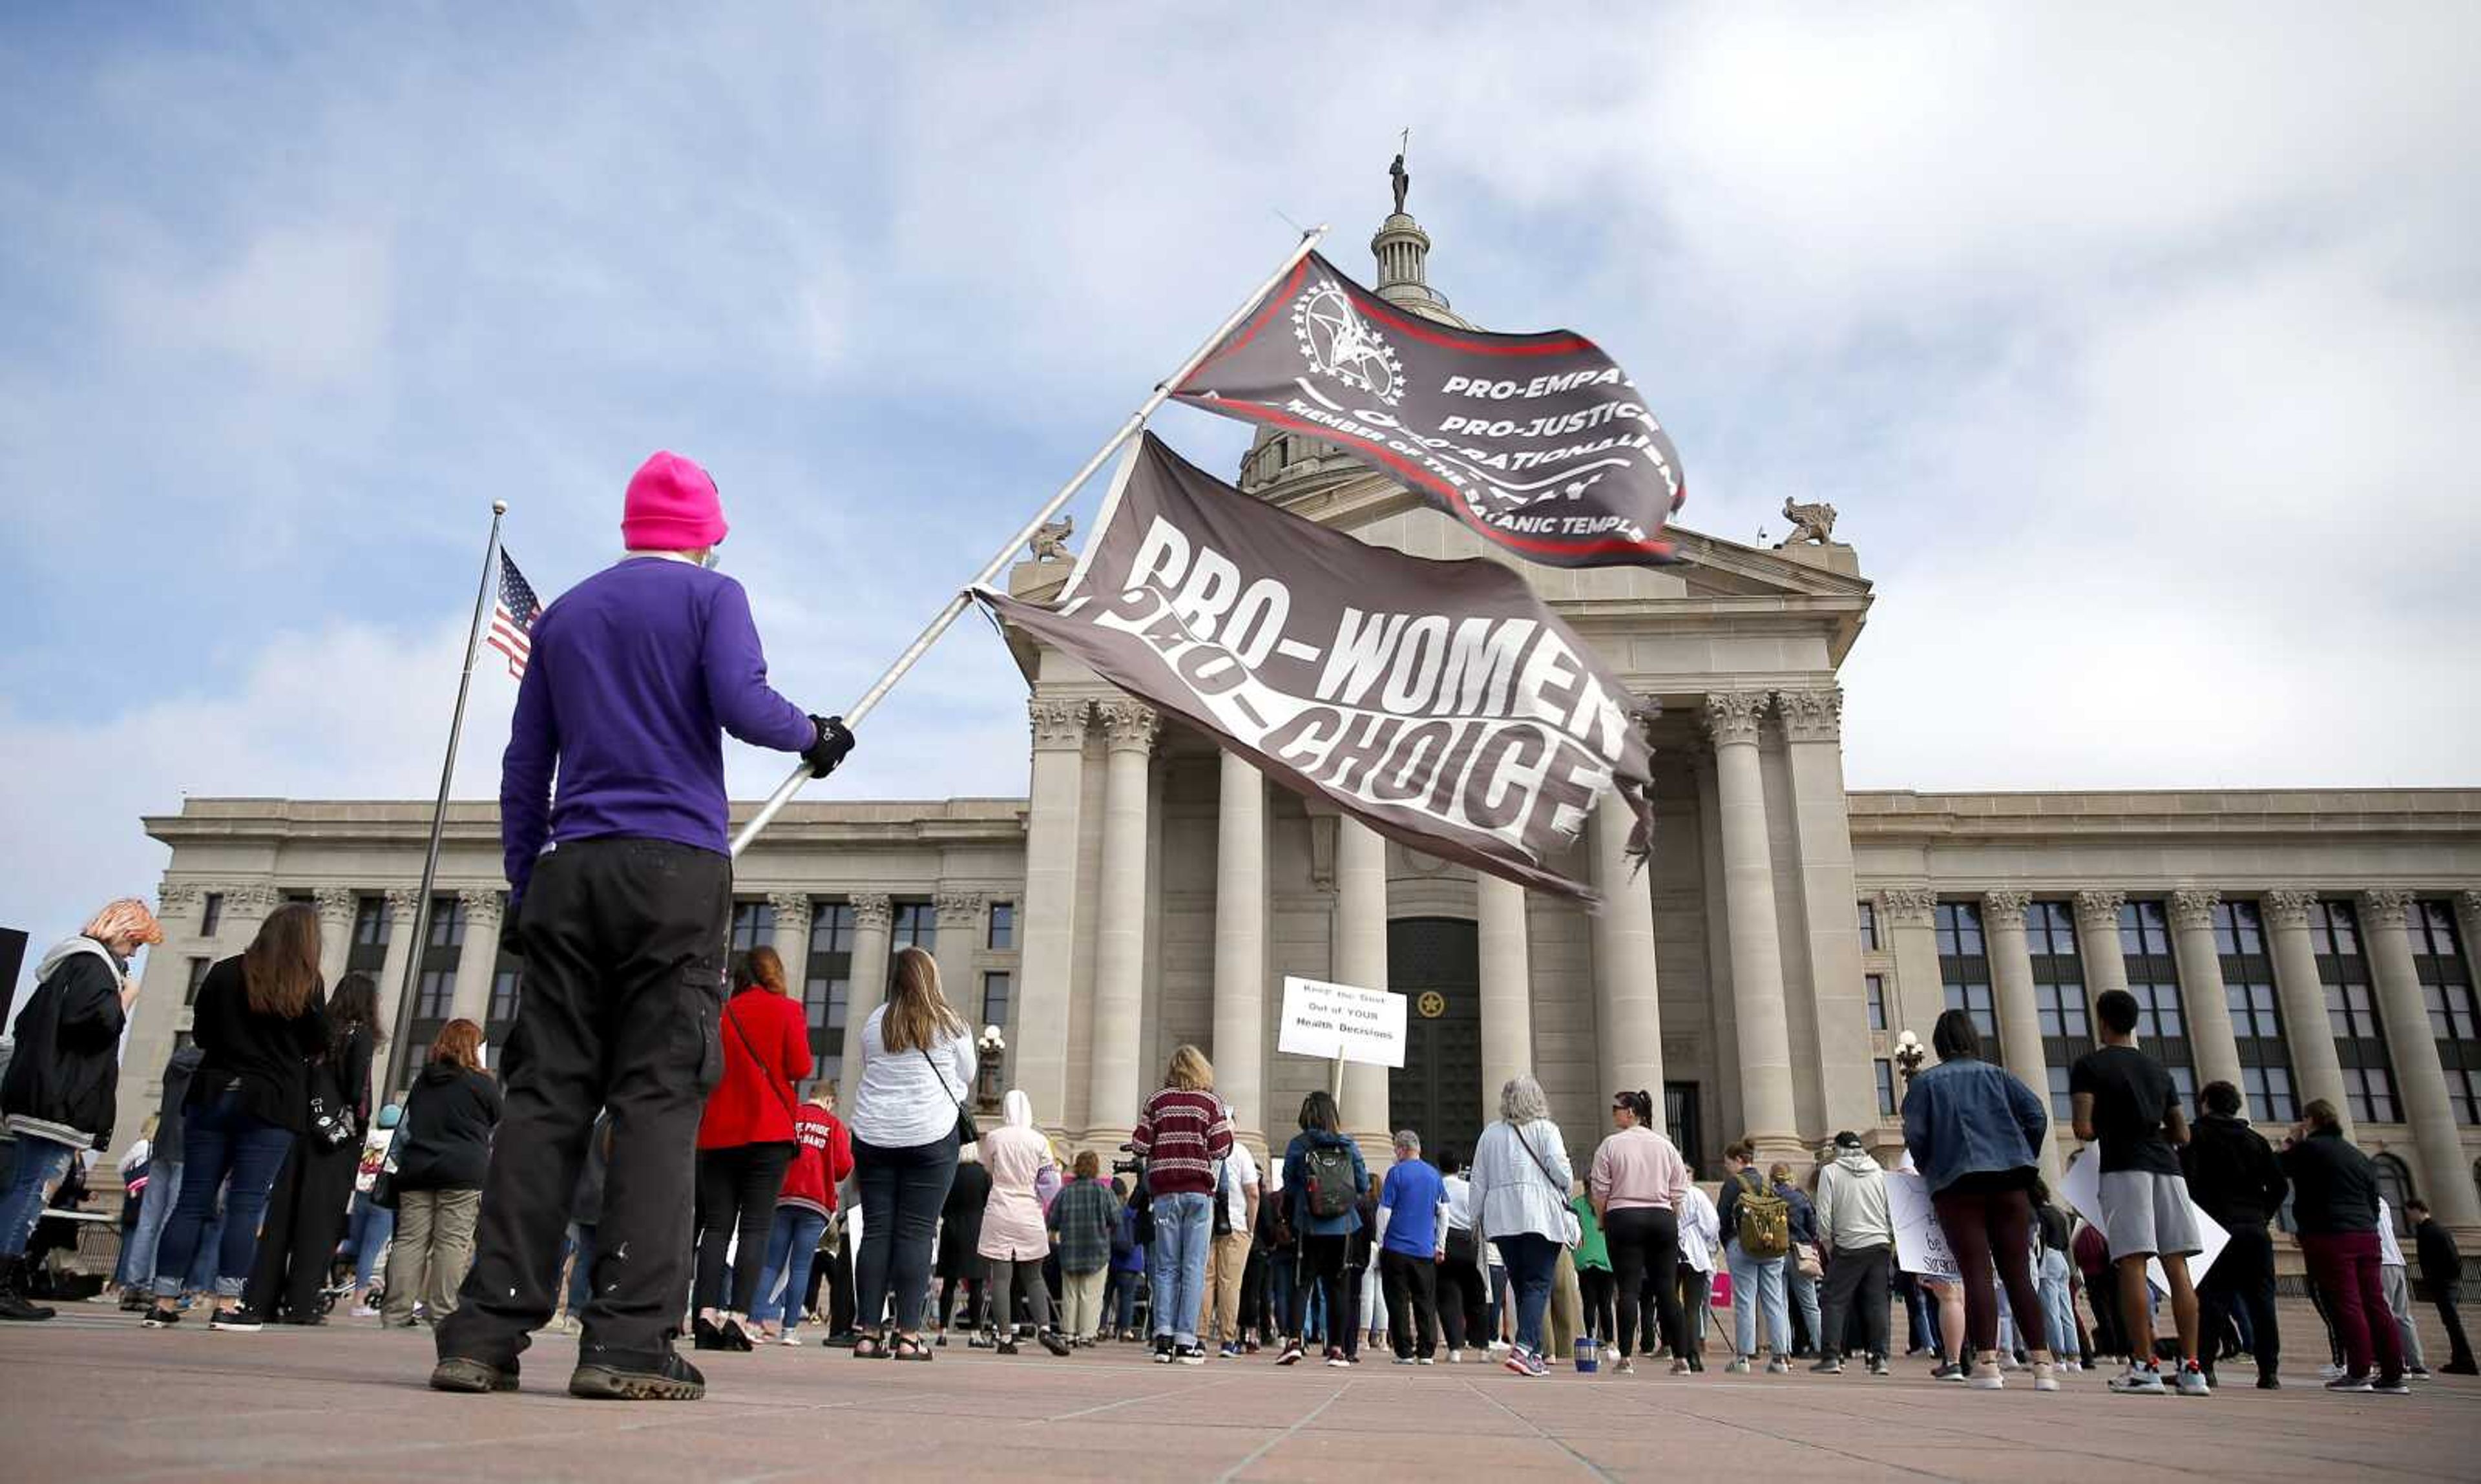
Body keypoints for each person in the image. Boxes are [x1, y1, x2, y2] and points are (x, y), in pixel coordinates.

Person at [428, 450, 853, 1402]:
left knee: (545, 1102)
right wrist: (816, 736)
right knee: (660, 1100)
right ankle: (626, 1340)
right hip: (676, 868)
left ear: (630, 529)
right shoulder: (714, 597)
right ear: (705, 534)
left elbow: (523, 764)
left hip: (570, 870)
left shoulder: (567, 614)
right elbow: (745, 706)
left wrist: (524, 885)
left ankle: (484, 1333)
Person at [145, 904, 330, 1331]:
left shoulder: (226, 971)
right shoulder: (306, 982)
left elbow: (202, 1034)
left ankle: (163, 1300)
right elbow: (318, 1041)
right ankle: (227, 1303)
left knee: (191, 1200)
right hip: (271, 1101)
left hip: (214, 1092)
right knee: (245, 1204)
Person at [1, 899, 163, 1322]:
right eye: (136, 944)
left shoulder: (66, 965)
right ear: (125, 932)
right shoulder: (94, 967)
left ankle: (7, 1279)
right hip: (57, 1099)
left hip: (40, 1091)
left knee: (25, 1184)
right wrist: (125, 998)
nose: (134, 954)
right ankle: (2, 1281)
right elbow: (94, 1026)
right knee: (31, 1189)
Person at [1901, 1008, 2057, 1392]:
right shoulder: (1999, 1075)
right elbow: (2036, 1114)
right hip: (2010, 1182)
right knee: (2018, 1274)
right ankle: (2043, 1364)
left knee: (1976, 1271)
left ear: (1938, 1045)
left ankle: (1987, 1362)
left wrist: (1930, 1167)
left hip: (1958, 1184)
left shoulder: (1926, 1084)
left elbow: (1916, 1136)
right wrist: (2021, 1153)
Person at [2071, 988, 2204, 1395]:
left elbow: (2084, 1129)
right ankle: (2192, 1367)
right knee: (2178, 1266)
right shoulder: (2159, 1071)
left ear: (2103, 1021)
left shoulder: (2089, 1065)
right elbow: (2182, 1132)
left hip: (2125, 1168)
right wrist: (2152, 1131)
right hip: (2168, 1168)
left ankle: (2146, 1364)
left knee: (2133, 1263)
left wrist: (2119, 1128)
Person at [846, 946, 974, 1361]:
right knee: (917, 1232)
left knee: (877, 1229)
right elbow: (968, 1074)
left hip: (873, 1133)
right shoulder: (951, 1022)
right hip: (930, 1134)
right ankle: (908, 1335)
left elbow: (869, 1065)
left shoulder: (875, 1021)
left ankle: (866, 1332)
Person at [240, 970, 382, 1325]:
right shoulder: (358, 1035)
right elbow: (357, 1093)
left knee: (280, 1221)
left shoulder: (316, 1034)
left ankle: (261, 1299)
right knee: (319, 1223)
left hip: (298, 1131)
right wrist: (360, 1128)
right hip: (333, 1143)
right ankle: (302, 1303)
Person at [689, 946, 813, 1351]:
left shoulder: (720, 1013)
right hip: (768, 1133)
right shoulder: (787, 1010)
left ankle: (704, 1315)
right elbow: (799, 1068)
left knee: (716, 1227)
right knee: (756, 1227)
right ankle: (739, 1318)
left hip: (718, 1134)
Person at [2279, 1099, 2406, 1392]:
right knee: (2376, 1303)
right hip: (2366, 1235)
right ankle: (2393, 1374)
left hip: (2331, 1235)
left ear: (2310, 1120)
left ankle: (2359, 1371)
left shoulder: (2311, 1149)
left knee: (2347, 1303)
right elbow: (2373, 1199)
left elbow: (2278, 1167)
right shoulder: (2357, 1155)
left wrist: (2292, 1140)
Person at [383, 1020, 501, 1330]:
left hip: (418, 1169)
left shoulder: (423, 1080)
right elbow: (497, 1118)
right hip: (464, 1171)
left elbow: (408, 1124)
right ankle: (443, 1314)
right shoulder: (483, 1083)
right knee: (452, 1243)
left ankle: (396, 1313)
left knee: (409, 1242)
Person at [1129, 1044, 1233, 1364]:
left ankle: (1163, 1339)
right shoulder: (1210, 1102)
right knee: (1193, 1268)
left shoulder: (1157, 1101)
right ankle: (1188, 1341)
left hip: (1164, 1195)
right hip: (1199, 1195)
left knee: (1165, 1267)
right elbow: (1222, 1148)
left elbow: (1139, 1144)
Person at [2179, 1080, 2287, 1388]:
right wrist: (2261, 1214)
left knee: (2212, 1299)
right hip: (2254, 1228)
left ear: (2206, 1103)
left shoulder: (2196, 1136)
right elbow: (2279, 1185)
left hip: (2215, 1227)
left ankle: (2207, 1367)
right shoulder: (2256, 1140)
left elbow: (2185, 1182)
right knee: (2262, 1301)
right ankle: (2269, 1371)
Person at [1468, 1074, 1573, 1379]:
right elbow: (1561, 1171)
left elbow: (1479, 1179)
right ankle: (1525, 1347)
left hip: (1502, 1219)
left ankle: (1535, 1353)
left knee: (1521, 1283)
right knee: (1538, 1283)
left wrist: (1476, 1219)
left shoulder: (1490, 1134)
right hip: (1540, 1215)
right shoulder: (1546, 1130)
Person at [1587, 1089, 1691, 1375]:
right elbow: (1679, 1189)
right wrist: (1673, 1217)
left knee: (1629, 1288)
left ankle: (1625, 1357)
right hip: (1662, 1217)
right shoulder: (1666, 1145)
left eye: (1616, 1109)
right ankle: (1681, 1358)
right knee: (1667, 1289)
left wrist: (1601, 1219)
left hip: (1623, 1216)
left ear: (1630, 1112)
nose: (1613, 1114)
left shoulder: (1610, 1145)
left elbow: (1600, 1189)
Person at [750, 1087, 853, 1345]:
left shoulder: (790, 1115)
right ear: (830, 1101)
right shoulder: (833, 1125)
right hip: (815, 1202)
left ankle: (752, 1323)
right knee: (801, 1266)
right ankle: (789, 1330)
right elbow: (843, 1167)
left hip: (783, 1197)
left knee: (771, 1264)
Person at [1277, 1089, 1368, 1368]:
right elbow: (1362, 1186)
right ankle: (1338, 1348)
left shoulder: (1299, 1145)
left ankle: (1294, 1341)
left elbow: (1289, 1186)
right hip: (1343, 1226)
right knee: (1338, 1287)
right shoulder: (1349, 1145)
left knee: (1302, 1284)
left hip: (1309, 1224)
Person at [976, 1087, 1067, 1356]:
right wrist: (1041, 1196)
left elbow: (987, 1169)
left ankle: (1005, 1338)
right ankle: (1045, 1329)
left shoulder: (994, 1137)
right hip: (1028, 1211)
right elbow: (1051, 1183)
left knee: (1001, 1279)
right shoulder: (1039, 1141)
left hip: (1000, 1209)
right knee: (1034, 1277)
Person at [117, 1041, 203, 1312]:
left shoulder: (176, 1063)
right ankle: (157, 1285)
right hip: (188, 1146)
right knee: (171, 1218)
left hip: (163, 1145)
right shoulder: (206, 1064)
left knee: (149, 1220)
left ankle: (135, 1286)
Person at [1811, 1130, 1893, 1375]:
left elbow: (1824, 1214)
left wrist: (1828, 1244)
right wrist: (1888, 1237)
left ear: (1838, 1148)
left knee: (1833, 1299)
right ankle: (1879, 1358)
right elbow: (1890, 1210)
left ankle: (1831, 1356)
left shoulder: (1831, 1172)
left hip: (1848, 1243)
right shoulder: (1879, 1172)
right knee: (1877, 1301)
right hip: (1879, 1242)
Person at [1715, 1141, 1792, 1374]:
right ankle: (1780, 1358)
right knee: (1775, 1301)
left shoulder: (1733, 1184)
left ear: (1739, 1160)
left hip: (1743, 1246)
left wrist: (1729, 1243)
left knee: (1745, 1301)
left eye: (1729, 1162)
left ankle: (1743, 1358)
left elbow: (1721, 1218)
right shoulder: (1769, 1185)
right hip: (1773, 1247)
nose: (1727, 1167)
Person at [1377, 1129, 1449, 1364]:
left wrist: (1381, 1243)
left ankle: (1404, 1351)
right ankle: (1427, 1351)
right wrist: (1440, 1244)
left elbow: (1384, 1212)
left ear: (1400, 1149)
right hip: (1424, 1250)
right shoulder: (1434, 1175)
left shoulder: (1395, 1174)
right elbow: (1444, 1213)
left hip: (1396, 1248)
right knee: (1425, 1300)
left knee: (1397, 1301)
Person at [1200, 1110, 1260, 1357]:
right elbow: (1253, 1193)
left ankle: (1199, 1337)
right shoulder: (1242, 1152)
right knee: (1230, 1284)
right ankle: (1227, 1340)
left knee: (1205, 1281)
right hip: (1236, 1225)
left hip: (1205, 1225)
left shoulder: (1204, 1150)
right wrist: (1251, 1226)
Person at [1049, 1149, 1120, 1345]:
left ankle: (1069, 1333)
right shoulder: (1103, 1191)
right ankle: (1087, 1334)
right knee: (1092, 1294)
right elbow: (1116, 1218)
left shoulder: (1065, 1191)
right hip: (1097, 1251)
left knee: (1070, 1293)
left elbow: (1052, 1221)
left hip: (1070, 1250)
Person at [2404, 1200, 2474, 1374]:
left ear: (2416, 1210)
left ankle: (2465, 1361)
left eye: (2409, 1212)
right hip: (2446, 1282)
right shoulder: (2436, 1229)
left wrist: (2442, 1280)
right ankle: (2461, 1359)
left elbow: (2450, 1258)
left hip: (2443, 1283)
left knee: (2453, 1323)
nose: (2408, 1217)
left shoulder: (2431, 1230)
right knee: (2451, 1323)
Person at [936, 1140, 991, 1340]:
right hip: (976, 1230)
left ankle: (942, 1331)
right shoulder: (983, 1174)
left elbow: (940, 1203)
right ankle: (975, 1332)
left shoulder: (949, 1173)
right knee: (976, 1283)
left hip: (951, 1228)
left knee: (949, 1283)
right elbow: (989, 1202)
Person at [1436, 1146, 1484, 1361]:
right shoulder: (1469, 1189)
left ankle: (1455, 1348)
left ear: (1439, 1167)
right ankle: (1483, 1347)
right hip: (1468, 1243)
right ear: (1460, 1168)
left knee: (1448, 1297)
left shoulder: (1437, 1187)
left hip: (1445, 1242)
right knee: (1476, 1296)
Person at [1772, 1160, 1825, 1355]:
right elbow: (1813, 1229)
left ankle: (1783, 1349)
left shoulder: (1769, 1197)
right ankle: (1822, 1347)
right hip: (1801, 1254)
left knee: (1780, 1305)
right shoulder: (1801, 1198)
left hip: (1776, 1254)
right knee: (1810, 1305)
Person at [2376, 1198, 2428, 1377]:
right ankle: (2416, 1364)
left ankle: (2398, 1362)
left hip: (2383, 1261)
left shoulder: (2364, 1199)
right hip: (2397, 1261)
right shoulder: (2383, 1202)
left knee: (2386, 1314)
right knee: (2404, 1317)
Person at [1675, 1178, 1719, 1371]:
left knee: (1672, 1304)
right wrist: (1709, 1245)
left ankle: (1676, 1351)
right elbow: (1711, 1224)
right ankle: (1693, 1355)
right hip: (1695, 1252)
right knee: (1693, 1307)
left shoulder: (1663, 1193)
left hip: (1669, 1250)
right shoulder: (1696, 1194)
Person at [1108, 1178, 1149, 1342]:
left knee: (1106, 1298)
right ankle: (1125, 1330)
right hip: (1132, 1261)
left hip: (1113, 1259)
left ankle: (1103, 1328)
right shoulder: (1132, 1210)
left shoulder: (1111, 1211)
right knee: (1127, 1298)